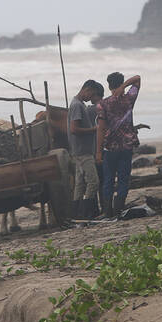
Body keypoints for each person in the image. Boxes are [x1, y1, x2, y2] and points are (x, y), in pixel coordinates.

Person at [95, 72, 141, 218]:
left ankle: (108, 212)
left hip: (110, 147)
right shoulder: (129, 99)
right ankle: (118, 210)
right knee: (123, 179)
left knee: (108, 179)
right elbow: (138, 78)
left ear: (108, 85)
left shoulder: (103, 104)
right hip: (126, 146)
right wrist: (125, 86)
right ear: (120, 83)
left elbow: (101, 129)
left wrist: (98, 152)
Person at [68, 79, 104, 221]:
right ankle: (85, 212)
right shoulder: (77, 105)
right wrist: (94, 129)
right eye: (91, 95)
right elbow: (74, 129)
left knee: (80, 183)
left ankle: (76, 213)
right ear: (86, 90)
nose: (91, 99)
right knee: (93, 182)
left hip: (79, 150)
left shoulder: (78, 104)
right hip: (83, 151)